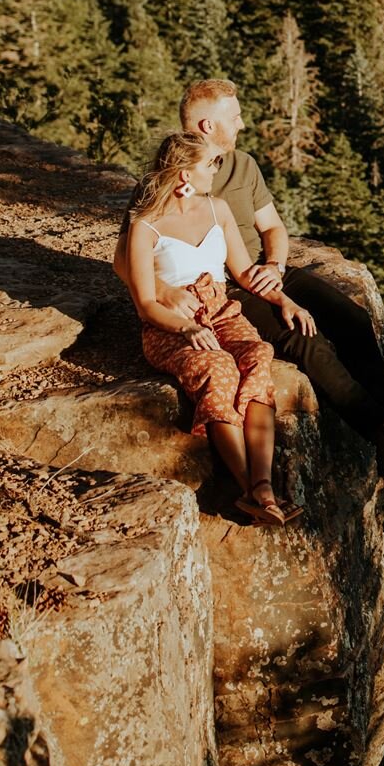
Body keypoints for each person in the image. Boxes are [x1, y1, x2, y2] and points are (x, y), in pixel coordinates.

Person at [114, 77, 384, 478]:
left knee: (354, 320)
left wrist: (276, 267)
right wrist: (163, 289)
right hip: (228, 284)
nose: (242, 125)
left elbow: (273, 228)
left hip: (264, 270)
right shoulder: (166, 176)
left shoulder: (244, 165)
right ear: (207, 126)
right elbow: (123, 259)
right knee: (303, 338)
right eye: (234, 118)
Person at [126, 131, 293, 526]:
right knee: (219, 369)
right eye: (209, 164)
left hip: (222, 310)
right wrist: (184, 328)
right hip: (170, 325)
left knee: (257, 356)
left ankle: (264, 485)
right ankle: (248, 490)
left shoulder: (217, 208)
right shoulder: (145, 224)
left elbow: (243, 271)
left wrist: (283, 297)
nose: (216, 170)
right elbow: (146, 303)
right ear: (184, 174)